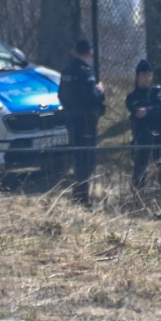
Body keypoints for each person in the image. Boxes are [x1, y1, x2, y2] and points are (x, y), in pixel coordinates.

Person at [58, 39, 105, 205]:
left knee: (78, 157)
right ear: (89, 53)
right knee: (87, 159)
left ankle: (78, 193)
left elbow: (61, 96)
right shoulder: (85, 73)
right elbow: (91, 97)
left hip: (71, 119)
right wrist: (100, 91)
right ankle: (82, 196)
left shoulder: (66, 72)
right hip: (85, 121)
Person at [125, 59, 161, 192]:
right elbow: (136, 112)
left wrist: (148, 111)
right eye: (143, 75)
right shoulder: (132, 96)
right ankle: (139, 195)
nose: (147, 78)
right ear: (137, 76)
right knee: (140, 166)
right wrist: (152, 111)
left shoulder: (157, 92)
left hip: (159, 133)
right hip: (142, 134)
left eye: (149, 75)